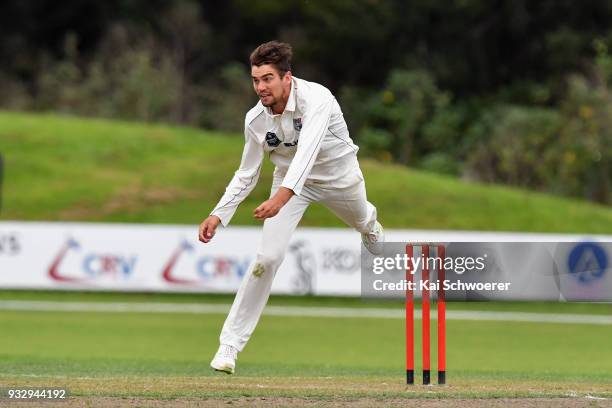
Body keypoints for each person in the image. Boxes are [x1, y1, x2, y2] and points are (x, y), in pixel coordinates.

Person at [199, 40, 384, 374]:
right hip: (289, 184)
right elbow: (247, 172)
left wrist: (280, 198)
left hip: (338, 177)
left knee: (360, 219)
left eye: (267, 78)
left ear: (287, 77)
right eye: (256, 80)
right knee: (266, 259)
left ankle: (370, 224)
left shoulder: (318, 98)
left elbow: (308, 151)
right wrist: (219, 213)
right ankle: (229, 345)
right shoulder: (255, 120)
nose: (260, 87)